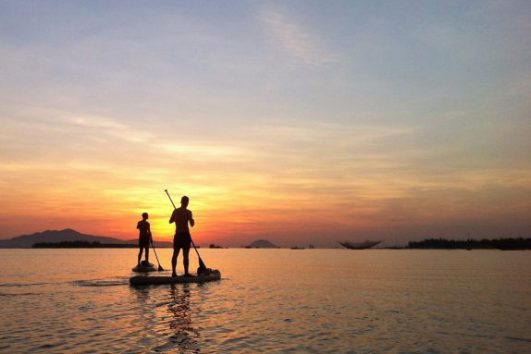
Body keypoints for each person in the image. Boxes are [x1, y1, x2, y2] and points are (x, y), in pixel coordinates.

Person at [169, 196, 194, 277]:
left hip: (179, 235)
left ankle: (174, 273)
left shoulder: (176, 211)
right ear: (186, 202)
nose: (187, 203)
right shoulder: (188, 212)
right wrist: (191, 220)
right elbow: (192, 225)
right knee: (185, 255)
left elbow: (170, 221)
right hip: (185, 235)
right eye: (187, 201)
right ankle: (185, 273)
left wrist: (177, 217)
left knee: (175, 254)